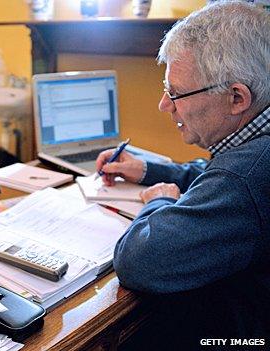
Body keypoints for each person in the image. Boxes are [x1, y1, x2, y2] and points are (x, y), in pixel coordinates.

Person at [95, 2, 270, 348]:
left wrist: (158, 201)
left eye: (176, 93)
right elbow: (215, 173)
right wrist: (148, 170)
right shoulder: (254, 147)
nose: (164, 104)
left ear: (236, 97)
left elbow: (139, 260)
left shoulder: (246, 176)